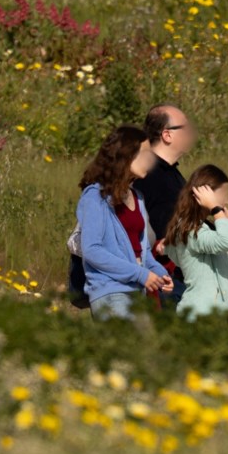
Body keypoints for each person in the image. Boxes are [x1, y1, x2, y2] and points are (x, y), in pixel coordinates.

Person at [134, 104, 228, 308]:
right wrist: (219, 217)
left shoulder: (172, 175)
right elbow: (175, 230)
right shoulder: (149, 175)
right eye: (184, 127)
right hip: (166, 280)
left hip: (182, 275)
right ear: (167, 135)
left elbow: (191, 224)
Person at [77, 125, 173, 321]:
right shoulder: (95, 196)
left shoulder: (138, 198)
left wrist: (160, 274)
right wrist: (140, 274)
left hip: (137, 293)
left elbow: (144, 252)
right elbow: (92, 249)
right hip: (111, 294)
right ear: (126, 156)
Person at [162, 165, 228, 320]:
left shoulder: (210, 229)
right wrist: (216, 209)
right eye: (223, 195)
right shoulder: (189, 230)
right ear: (204, 194)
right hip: (199, 316)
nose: (227, 200)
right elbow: (225, 242)